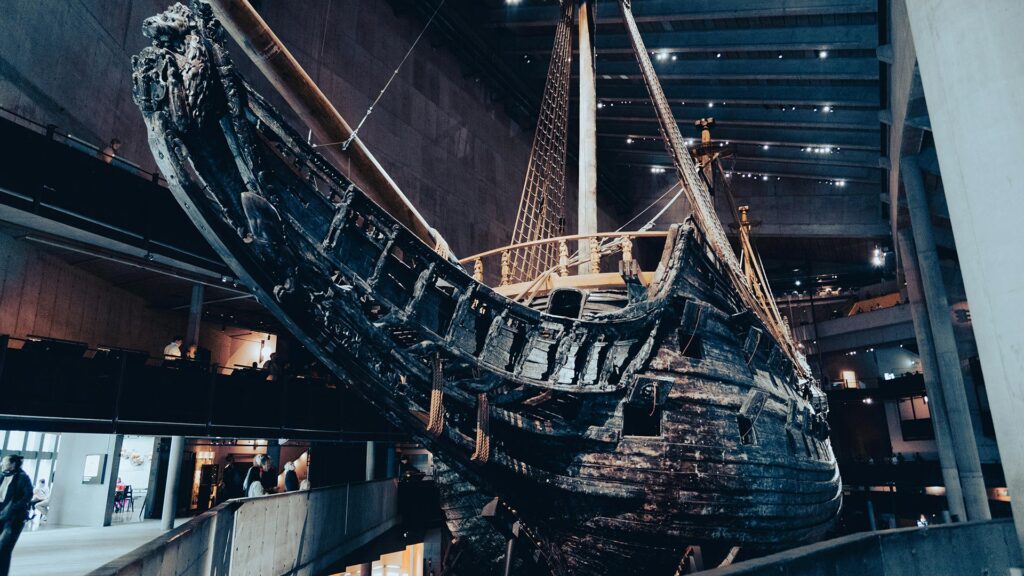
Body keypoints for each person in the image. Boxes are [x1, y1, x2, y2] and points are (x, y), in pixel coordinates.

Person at [0, 455, 33, 576]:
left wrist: (13, 508)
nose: (2, 463)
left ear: (12, 464)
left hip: (14, 518)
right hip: (1, 515)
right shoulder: (3, 475)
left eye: (4, 461)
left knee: (4, 549)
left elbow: (27, 496)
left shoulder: (23, 478)